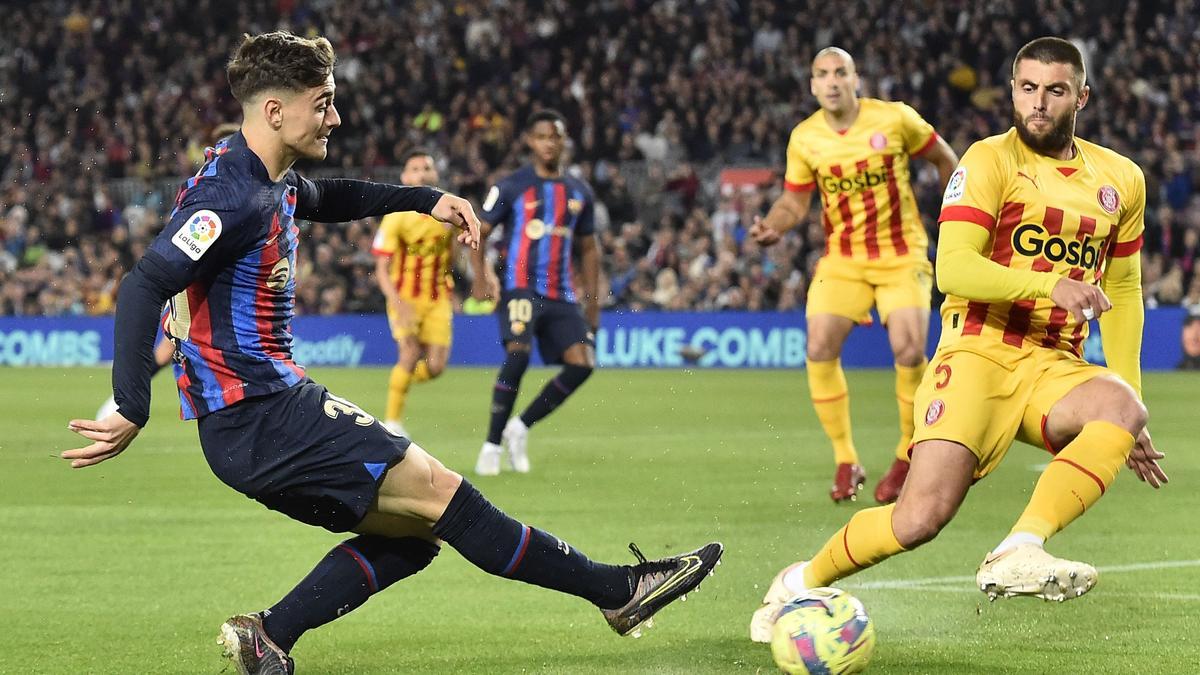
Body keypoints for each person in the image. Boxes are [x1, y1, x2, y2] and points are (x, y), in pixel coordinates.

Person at [61, 32, 722, 675]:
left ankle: (269, 634)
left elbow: (332, 196)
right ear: (274, 110)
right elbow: (146, 280)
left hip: (257, 421)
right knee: (445, 495)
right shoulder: (227, 194)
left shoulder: (268, 177)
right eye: (323, 102)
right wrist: (132, 402)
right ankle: (618, 590)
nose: (336, 116)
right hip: (260, 414)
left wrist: (425, 199)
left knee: (418, 534)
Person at [749, 37, 1168, 643]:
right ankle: (799, 582)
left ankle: (1018, 549)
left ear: (1082, 96)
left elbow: (1123, 292)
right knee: (919, 519)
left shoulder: (1122, 179)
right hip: (976, 351)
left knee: (1123, 407)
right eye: (1027, 89)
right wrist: (1051, 284)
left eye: (1054, 90)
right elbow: (954, 270)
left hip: (1054, 362)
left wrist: (1127, 391)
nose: (1038, 103)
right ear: (1013, 92)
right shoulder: (988, 161)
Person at [750, 47, 960, 503]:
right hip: (843, 258)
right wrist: (773, 226)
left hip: (901, 254)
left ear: (855, 78)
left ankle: (907, 454)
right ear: (812, 85)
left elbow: (946, 160)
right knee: (819, 345)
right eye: (822, 74)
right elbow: (793, 204)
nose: (831, 81)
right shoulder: (805, 138)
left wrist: (959, 215)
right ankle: (846, 459)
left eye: (839, 73)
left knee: (907, 348)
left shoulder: (895, 119)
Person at [471, 110, 601, 476]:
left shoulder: (579, 191)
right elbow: (479, 229)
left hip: (561, 294)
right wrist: (481, 277)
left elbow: (589, 250)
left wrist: (593, 305)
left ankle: (520, 427)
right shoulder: (512, 185)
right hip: (520, 288)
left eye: (556, 136)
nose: (550, 143)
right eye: (543, 136)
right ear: (530, 141)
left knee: (583, 363)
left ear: (564, 142)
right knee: (518, 354)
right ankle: (492, 445)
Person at [95, 123, 243, 420]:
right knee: (165, 354)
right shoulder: (205, 195)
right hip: (195, 298)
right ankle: (126, 401)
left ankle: (125, 401)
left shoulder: (228, 196)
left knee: (169, 356)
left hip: (222, 303)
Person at [371, 149, 491, 437]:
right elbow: (381, 268)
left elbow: (466, 246)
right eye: (414, 168)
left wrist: (486, 276)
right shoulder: (396, 216)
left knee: (436, 367)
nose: (422, 173)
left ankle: (399, 382)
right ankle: (393, 422)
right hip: (405, 297)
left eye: (426, 167)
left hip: (438, 297)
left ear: (436, 174)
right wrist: (397, 302)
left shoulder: (448, 211)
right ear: (404, 177)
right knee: (410, 353)